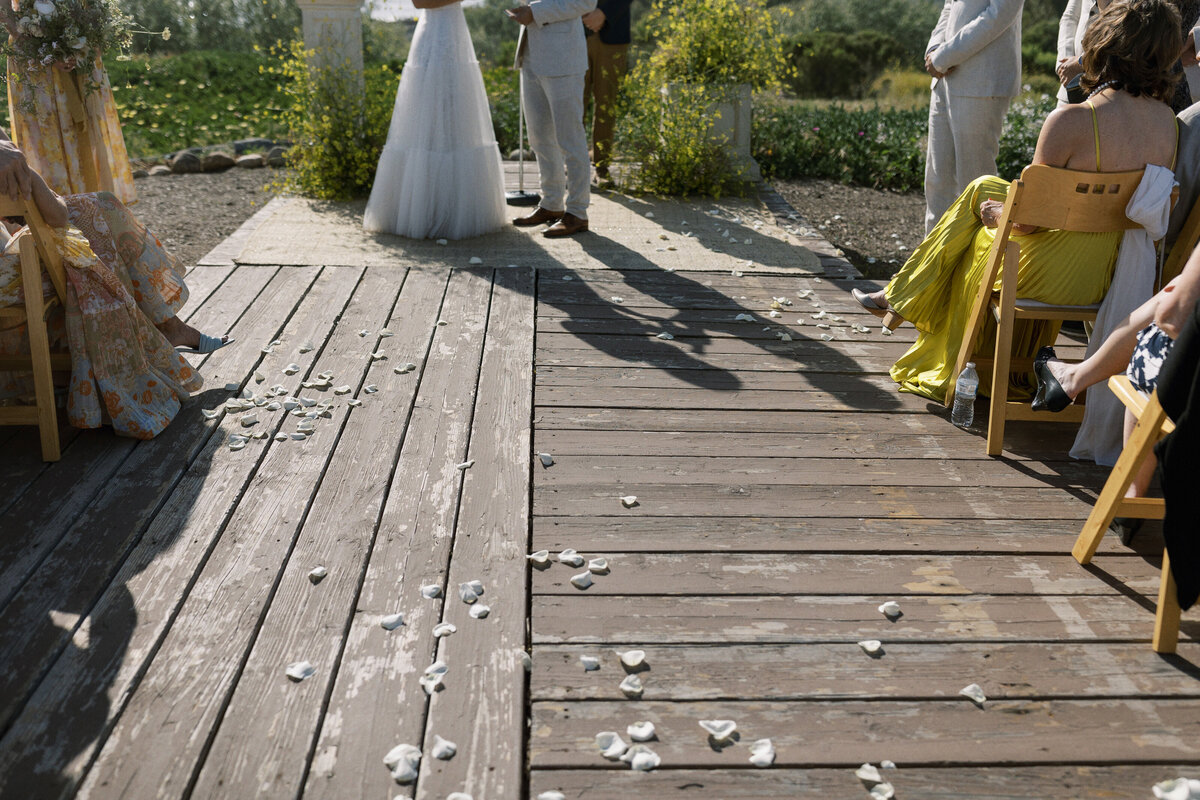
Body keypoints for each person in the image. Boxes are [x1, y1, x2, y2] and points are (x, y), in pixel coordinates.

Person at [853, 0, 1181, 411]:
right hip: (1105, 274)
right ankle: (906, 296)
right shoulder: (1169, 126)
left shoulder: (1072, 121)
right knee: (983, 185)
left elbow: (1025, 224)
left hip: (1043, 275)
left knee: (978, 224)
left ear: (1103, 43)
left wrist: (998, 214)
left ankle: (918, 311)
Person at [0, 135, 227, 440]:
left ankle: (165, 328)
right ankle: (163, 327)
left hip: (11, 272)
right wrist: (18, 158)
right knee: (93, 210)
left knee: (93, 211)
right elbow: (57, 215)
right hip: (10, 282)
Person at [1033, 246, 1200, 537]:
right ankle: (1073, 377)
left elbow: (1171, 318)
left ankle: (1132, 494)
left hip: (1186, 395)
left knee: (1158, 334)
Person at [364, 0, 506, 240]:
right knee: (426, 116)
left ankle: (454, 210)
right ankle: (425, 210)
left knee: (456, 114)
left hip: (455, 32)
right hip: (433, 35)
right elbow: (419, 2)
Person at [0, 2, 136, 206]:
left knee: (91, 139)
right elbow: (5, 12)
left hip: (81, 54)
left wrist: (91, 39)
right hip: (35, 60)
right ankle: (55, 219)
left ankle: (97, 217)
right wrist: (41, 49)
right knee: (46, 146)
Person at [921, 0, 1023, 234]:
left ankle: (977, 265)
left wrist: (944, 56)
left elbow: (1000, 14)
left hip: (982, 81)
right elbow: (950, 5)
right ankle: (933, 265)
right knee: (937, 182)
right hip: (943, 80)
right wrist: (934, 48)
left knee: (976, 183)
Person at [508, 0, 596, 238]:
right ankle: (551, 204)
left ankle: (578, 212)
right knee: (539, 138)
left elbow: (586, 2)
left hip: (563, 59)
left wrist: (535, 12)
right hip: (531, 56)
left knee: (570, 138)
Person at [582, 0, 632, 188]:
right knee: (573, 104)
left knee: (606, 105)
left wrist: (604, 13)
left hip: (613, 33)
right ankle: (572, 166)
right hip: (574, 33)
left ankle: (602, 168)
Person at [1055, 0, 1098, 106]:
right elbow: (1070, 17)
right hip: (1068, 88)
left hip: (1110, 92)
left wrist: (1082, 62)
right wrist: (1065, 62)